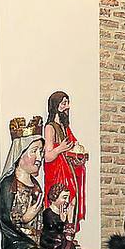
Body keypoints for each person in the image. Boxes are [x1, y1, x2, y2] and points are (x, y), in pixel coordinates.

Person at [0, 124, 50, 249]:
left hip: (34, 239)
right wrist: (26, 217)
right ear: (20, 154)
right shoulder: (8, 184)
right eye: (34, 151)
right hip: (16, 242)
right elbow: (6, 219)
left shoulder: (36, 185)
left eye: (41, 152)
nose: (39, 157)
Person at [43, 91, 88, 224]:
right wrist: (60, 149)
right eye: (63, 103)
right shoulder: (50, 127)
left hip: (68, 169)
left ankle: (69, 229)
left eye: (67, 103)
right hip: (57, 171)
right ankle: (58, 229)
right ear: (56, 105)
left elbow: (73, 145)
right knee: (60, 200)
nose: (67, 106)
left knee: (72, 200)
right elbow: (47, 157)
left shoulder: (65, 128)